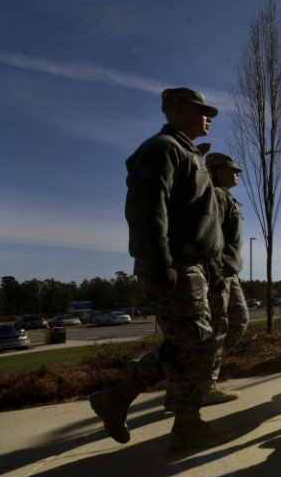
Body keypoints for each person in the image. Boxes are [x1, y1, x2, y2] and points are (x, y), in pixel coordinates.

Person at [89, 88, 231, 451]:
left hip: (195, 265)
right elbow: (146, 209)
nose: (209, 116)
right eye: (202, 110)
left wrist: (212, 265)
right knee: (194, 343)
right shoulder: (163, 148)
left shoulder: (187, 152)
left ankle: (122, 399)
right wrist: (160, 261)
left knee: (192, 343)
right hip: (175, 265)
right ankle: (184, 425)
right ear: (178, 110)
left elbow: (198, 219)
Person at [203, 148, 249, 404]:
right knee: (218, 328)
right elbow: (208, 237)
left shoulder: (225, 196)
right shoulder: (216, 196)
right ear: (220, 172)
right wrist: (215, 270)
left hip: (230, 271)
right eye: (234, 170)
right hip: (219, 272)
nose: (238, 174)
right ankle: (205, 384)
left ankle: (202, 377)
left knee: (238, 322)